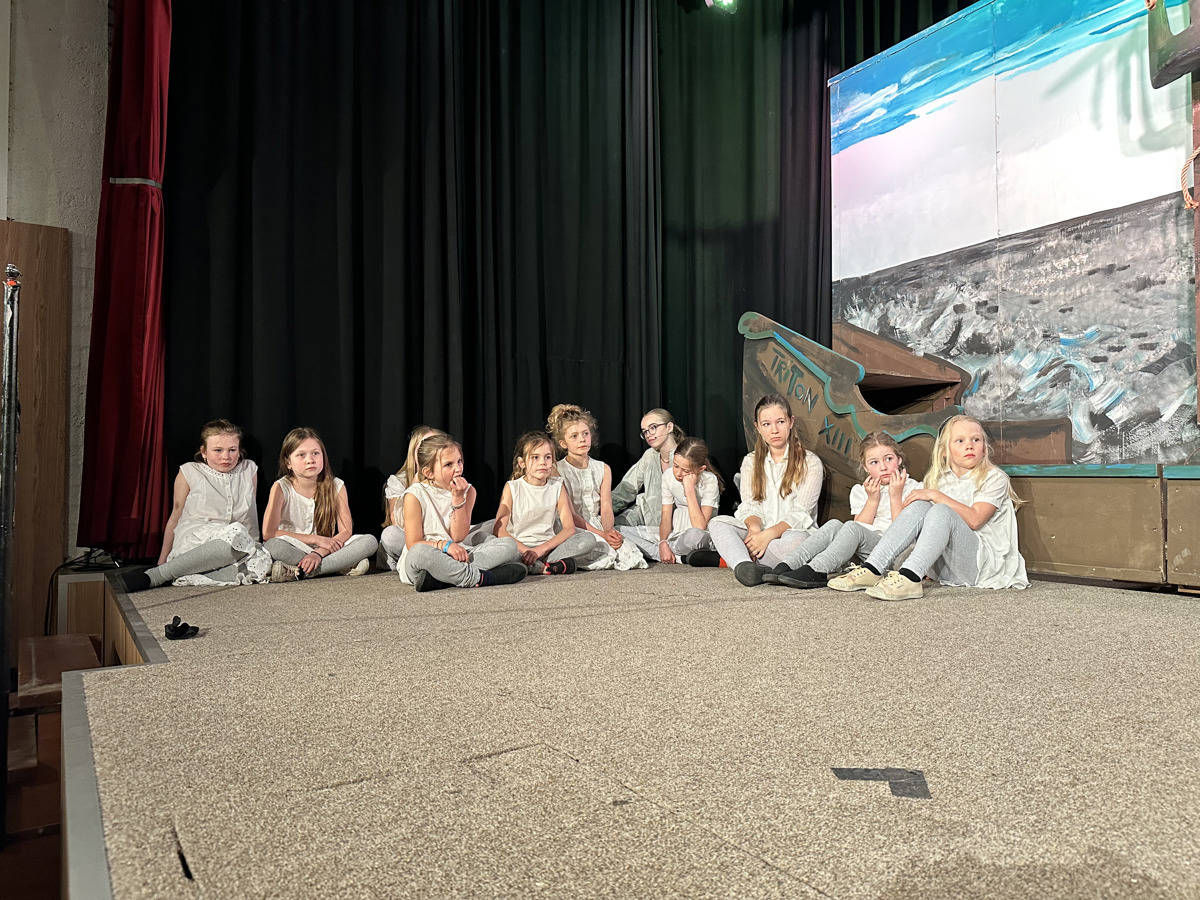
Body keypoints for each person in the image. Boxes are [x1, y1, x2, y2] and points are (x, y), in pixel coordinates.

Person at [830, 414, 1028, 600]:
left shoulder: (994, 477)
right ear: (944, 451)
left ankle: (911, 577)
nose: (969, 445)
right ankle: (873, 568)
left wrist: (935, 495)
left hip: (982, 566)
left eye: (976, 440)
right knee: (920, 505)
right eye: (960, 441)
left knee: (941, 509)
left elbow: (976, 520)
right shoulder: (938, 480)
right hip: (946, 565)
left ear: (984, 448)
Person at [114, 419, 272, 591]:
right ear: (204, 452)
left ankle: (183, 573)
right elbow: (176, 516)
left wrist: (252, 546)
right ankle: (158, 574)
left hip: (238, 545)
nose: (226, 457)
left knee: (259, 561)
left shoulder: (248, 469)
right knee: (235, 534)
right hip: (198, 539)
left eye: (232, 450)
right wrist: (162, 560)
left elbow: (250, 515)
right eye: (218, 450)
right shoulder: (190, 471)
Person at [770, 431, 921, 589]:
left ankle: (817, 569)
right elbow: (861, 526)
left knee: (852, 528)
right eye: (874, 462)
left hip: (895, 555)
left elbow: (903, 533)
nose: (883, 467)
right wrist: (872, 499)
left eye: (889, 459)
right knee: (834, 524)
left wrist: (895, 496)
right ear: (865, 467)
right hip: (868, 552)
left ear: (899, 459)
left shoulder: (913, 488)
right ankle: (788, 564)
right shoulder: (861, 491)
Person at [707, 393, 824, 586]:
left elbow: (801, 513)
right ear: (758, 427)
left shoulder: (810, 462)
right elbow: (750, 505)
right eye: (767, 424)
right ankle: (745, 566)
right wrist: (754, 529)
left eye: (780, 422)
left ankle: (739, 558)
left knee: (798, 541)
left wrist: (767, 536)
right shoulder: (750, 462)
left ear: (791, 422)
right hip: (758, 534)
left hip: (788, 535)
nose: (774, 430)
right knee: (718, 523)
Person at [397, 432, 526, 591]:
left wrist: (458, 498)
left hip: (457, 554)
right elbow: (413, 543)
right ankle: (479, 577)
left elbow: (458, 537)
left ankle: (442, 578)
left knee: (509, 545)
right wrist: (445, 546)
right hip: (428, 554)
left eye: (459, 461)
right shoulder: (414, 495)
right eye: (448, 465)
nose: (458, 468)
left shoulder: (469, 491)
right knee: (419, 553)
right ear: (429, 473)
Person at [263, 427, 378, 581]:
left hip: (326, 549)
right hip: (295, 547)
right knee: (272, 545)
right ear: (288, 462)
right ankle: (336, 567)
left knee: (369, 541)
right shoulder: (281, 487)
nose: (310, 460)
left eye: (315, 453)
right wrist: (316, 539)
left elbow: (345, 531)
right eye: (301, 455)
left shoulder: (336, 486)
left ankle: (301, 571)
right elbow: (269, 533)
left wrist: (318, 553)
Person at [547, 403, 646, 571]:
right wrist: (601, 535)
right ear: (563, 443)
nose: (582, 439)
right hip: (572, 525)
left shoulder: (603, 468)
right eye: (574, 436)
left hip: (597, 523)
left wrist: (609, 531)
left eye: (585, 434)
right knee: (602, 554)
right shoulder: (558, 470)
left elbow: (606, 507)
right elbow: (570, 514)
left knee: (631, 555)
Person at [493, 431, 596, 574]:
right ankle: (545, 566)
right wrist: (527, 551)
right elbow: (499, 530)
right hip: (520, 548)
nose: (542, 462)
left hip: (547, 547)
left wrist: (539, 550)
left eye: (547, 457)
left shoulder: (557, 486)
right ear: (522, 463)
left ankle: (537, 565)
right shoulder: (512, 487)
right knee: (500, 550)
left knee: (588, 539)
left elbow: (569, 528)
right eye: (535, 457)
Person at [619, 436, 722, 563]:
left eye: (685, 470)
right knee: (618, 531)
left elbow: (700, 526)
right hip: (675, 534)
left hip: (698, 537)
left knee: (695, 536)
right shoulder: (668, 476)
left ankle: (668, 554)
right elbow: (666, 516)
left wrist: (689, 490)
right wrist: (663, 543)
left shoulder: (709, 480)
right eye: (676, 466)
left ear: (700, 469)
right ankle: (670, 554)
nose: (678, 473)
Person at [379, 425, 444, 570]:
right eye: (423, 447)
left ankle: (440, 561)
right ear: (414, 452)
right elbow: (397, 522)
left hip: (440, 536)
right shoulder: (399, 481)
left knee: (485, 529)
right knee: (390, 535)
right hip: (411, 539)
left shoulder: (446, 477)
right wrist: (416, 484)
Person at [611, 408, 684, 527]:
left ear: (669, 427)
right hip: (645, 516)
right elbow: (627, 489)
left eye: (653, 427)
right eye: (645, 432)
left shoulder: (686, 457)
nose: (648, 434)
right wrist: (601, 508)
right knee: (610, 527)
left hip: (678, 522)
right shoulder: (649, 456)